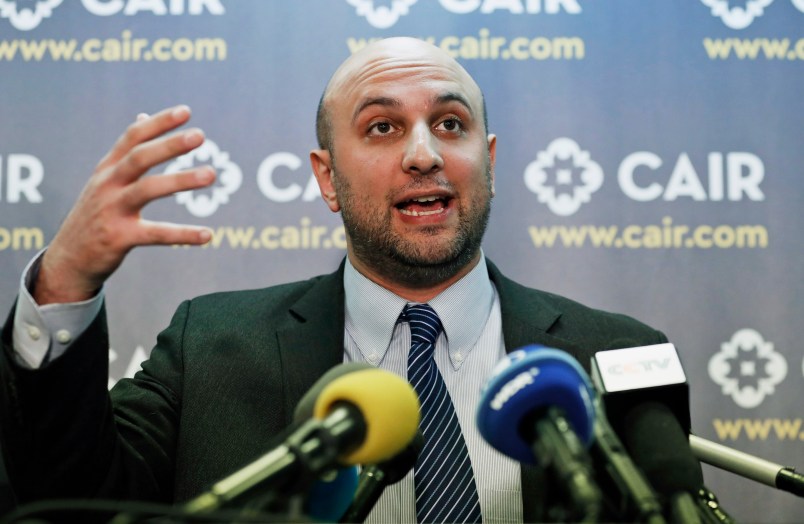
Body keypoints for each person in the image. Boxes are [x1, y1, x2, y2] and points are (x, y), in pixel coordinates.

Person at [0, 37, 672, 522]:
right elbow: (71, 500)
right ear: (327, 177)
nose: (423, 153)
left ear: (488, 161)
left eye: (450, 124)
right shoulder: (211, 347)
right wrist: (64, 285)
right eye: (382, 127)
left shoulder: (616, 353)